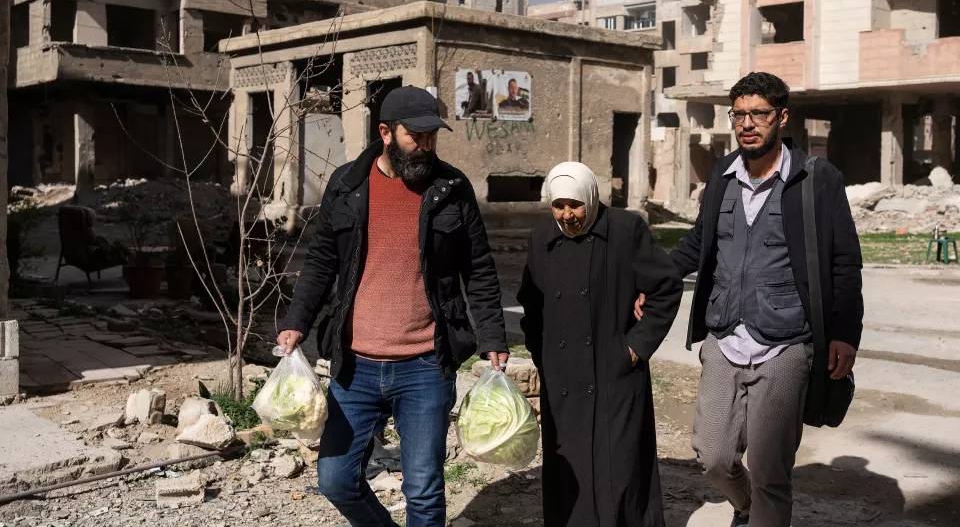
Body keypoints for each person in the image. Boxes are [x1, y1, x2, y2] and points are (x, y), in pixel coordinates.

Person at [276, 86, 510, 527]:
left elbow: (478, 268)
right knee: (336, 480)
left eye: (431, 136)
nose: (426, 145)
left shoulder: (452, 188)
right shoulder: (347, 184)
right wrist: (296, 321)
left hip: (425, 365)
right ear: (385, 132)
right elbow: (322, 260)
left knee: (423, 489)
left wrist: (493, 337)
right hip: (355, 365)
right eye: (415, 136)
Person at [642, 71, 863, 527]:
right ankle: (747, 507)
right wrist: (650, 281)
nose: (747, 124)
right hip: (724, 336)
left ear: (781, 117)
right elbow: (698, 242)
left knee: (769, 471)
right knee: (713, 455)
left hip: (787, 342)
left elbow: (844, 260)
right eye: (739, 114)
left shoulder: (816, 178)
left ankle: (762, 510)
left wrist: (845, 333)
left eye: (758, 114)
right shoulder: (722, 175)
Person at [517, 162, 683, 527]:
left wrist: (635, 347)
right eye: (559, 206)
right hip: (562, 377)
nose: (567, 215)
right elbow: (530, 302)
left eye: (575, 205)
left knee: (618, 468)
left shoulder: (625, 230)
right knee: (569, 471)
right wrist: (541, 353)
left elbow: (666, 286)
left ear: (591, 198)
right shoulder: (541, 235)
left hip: (614, 373)